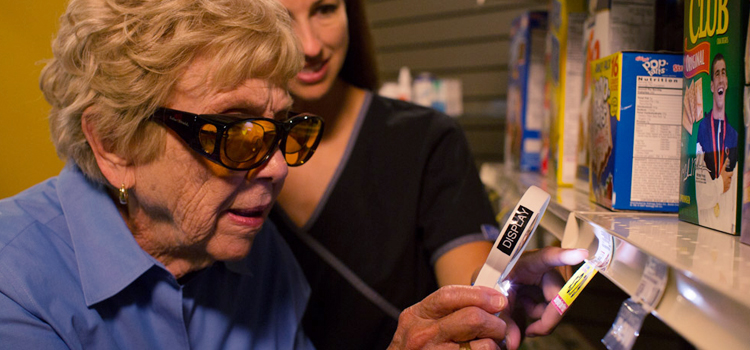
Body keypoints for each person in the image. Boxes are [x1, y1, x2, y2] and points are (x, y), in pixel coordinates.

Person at [0, 0, 587, 349]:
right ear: (113, 143)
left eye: (283, 128)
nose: (278, 166)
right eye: (233, 132)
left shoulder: (260, 260)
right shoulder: (16, 284)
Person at [270, 0, 586, 349]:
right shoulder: (233, 159)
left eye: (325, 9)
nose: (310, 46)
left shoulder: (426, 139)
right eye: (281, 17)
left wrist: (497, 291)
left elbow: (474, 292)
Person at [694, 53, 739, 232]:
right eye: (717, 74)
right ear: (712, 86)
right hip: (705, 231)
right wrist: (720, 184)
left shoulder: (734, 135)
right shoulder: (703, 131)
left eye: (723, 73)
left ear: (727, 82)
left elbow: (734, 194)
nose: (721, 78)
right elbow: (701, 196)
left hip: (727, 231)